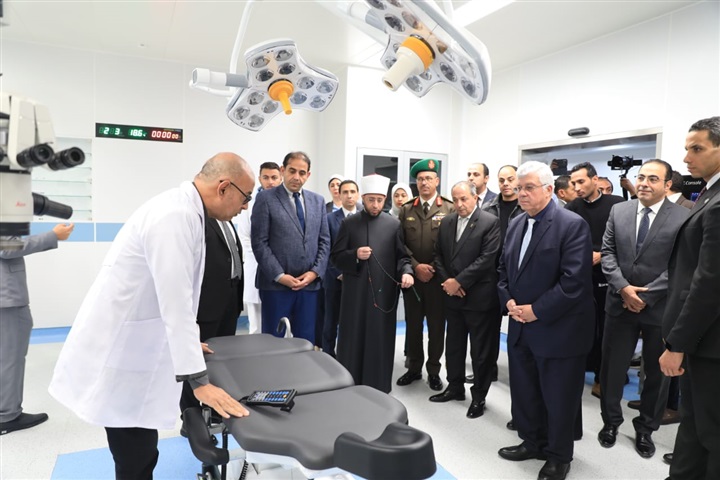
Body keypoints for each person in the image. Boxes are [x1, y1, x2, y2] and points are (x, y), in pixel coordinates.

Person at [49, 153, 252, 479]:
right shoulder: (174, 216)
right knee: (135, 455)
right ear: (224, 187)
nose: (245, 206)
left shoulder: (188, 212)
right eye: (246, 197)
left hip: (136, 345)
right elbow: (176, 302)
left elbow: (178, 299)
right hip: (121, 351)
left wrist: (187, 345)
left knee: (141, 449)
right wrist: (199, 383)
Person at [497, 161, 594, 480]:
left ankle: (558, 456)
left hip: (558, 328)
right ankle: (532, 441)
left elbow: (573, 282)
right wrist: (508, 300)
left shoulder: (571, 224)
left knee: (558, 396)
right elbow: (503, 269)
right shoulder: (517, 223)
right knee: (525, 390)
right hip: (520, 325)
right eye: (519, 188)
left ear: (549, 189)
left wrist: (536, 310)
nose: (521, 193)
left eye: (529, 188)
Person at [598, 159, 688, 459]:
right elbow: (608, 253)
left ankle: (646, 427)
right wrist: (623, 288)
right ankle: (610, 422)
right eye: (641, 177)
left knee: (656, 374)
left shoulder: (683, 216)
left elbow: (681, 264)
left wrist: (646, 296)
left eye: (653, 179)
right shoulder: (619, 211)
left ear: (667, 184)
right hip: (619, 303)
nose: (644, 183)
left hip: (659, 308)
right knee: (612, 369)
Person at [659, 116, 720, 480]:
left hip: (708, 342)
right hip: (702, 339)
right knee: (694, 425)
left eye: (697, 149)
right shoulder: (709, 193)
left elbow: (709, 283)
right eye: (686, 149)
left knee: (709, 432)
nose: (686, 158)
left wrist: (677, 343)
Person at [331, 174, 414, 393]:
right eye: (371, 200)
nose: (375, 205)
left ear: (384, 199)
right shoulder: (349, 224)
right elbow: (336, 257)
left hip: (383, 296)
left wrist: (407, 272)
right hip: (355, 296)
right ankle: (349, 384)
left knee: (379, 339)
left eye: (379, 200)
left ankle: (378, 386)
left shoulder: (393, 224)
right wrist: (355, 255)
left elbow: (402, 257)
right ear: (363, 198)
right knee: (353, 338)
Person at [430, 181, 500, 419]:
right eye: (455, 199)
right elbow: (438, 255)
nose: (459, 204)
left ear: (475, 198)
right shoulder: (447, 221)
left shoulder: (490, 222)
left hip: (479, 297)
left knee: (480, 352)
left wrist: (459, 282)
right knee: (454, 346)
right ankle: (455, 387)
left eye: (464, 199)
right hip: (453, 297)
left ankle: (479, 396)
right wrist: (448, 282)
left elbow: (487, 258)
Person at [0, 223, 74, 436]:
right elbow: (7, 247)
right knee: (10, 357)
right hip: (6, 299)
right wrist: (53, 235)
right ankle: (7, 416)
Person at [251, 151, 330, 342]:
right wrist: (280, 276)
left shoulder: (317, 201)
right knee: (274, 342)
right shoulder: (266, 199)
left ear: (308, 175)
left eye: (302, 173)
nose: (296, 177)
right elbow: (259, 242)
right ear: (283, 170)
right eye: (292, 171)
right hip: (276, 286)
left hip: (309, 286)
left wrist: (314, 273)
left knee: (306, 341)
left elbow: (324, 241)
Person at [566, 162, 624, 398]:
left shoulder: (617, 205)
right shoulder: (572, 208)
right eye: (573, 183)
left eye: (581, 181)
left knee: (606, 331)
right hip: (579, 278)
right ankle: (576, 371)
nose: (577, 187)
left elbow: (625, 239)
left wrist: (602, 255)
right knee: (578, 329)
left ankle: (602, 377)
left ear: (595, 179)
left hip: (607, 277)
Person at [397, 159, 454, 391]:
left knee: (436, 328)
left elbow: (451, 246)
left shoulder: (449, 208)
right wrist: (415, 266)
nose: (424, 183)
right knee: (413, 326)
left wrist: (431, 267)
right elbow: (400, 244)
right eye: (420, 179)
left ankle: (434, 371)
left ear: (437, 181)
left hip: (437, 280)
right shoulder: (406, 209)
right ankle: (413, 368)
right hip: (413, 278)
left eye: (429, 178)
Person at [237, 161, 282, 334]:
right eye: (266, 177)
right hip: (256, 264)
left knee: (281, 322)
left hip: (281, 269)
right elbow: (244, 236)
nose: (270, 182)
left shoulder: (287, 202)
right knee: (256, 323)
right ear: (259, 179)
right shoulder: (250, 203)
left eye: (274, 177)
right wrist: (265, 259)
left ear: (280, 178)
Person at [323, 179, 361, 357]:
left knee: (354, 322)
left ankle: (350, 356)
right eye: (345, 192)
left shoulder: (365, 218)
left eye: (352, 192)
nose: (349, 195)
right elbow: (325, 250)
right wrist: (339, 273)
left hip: (359, 280)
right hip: (334, 280)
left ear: (358, 194)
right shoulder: (329, 219)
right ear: (339, 194)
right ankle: (328, 357)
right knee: (330, 322)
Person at [482, 165, 523, 240]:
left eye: (510, 180)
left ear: (519, 181)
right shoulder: (488, 208)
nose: (505, 183)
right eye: (501, 180)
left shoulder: (526, 208)